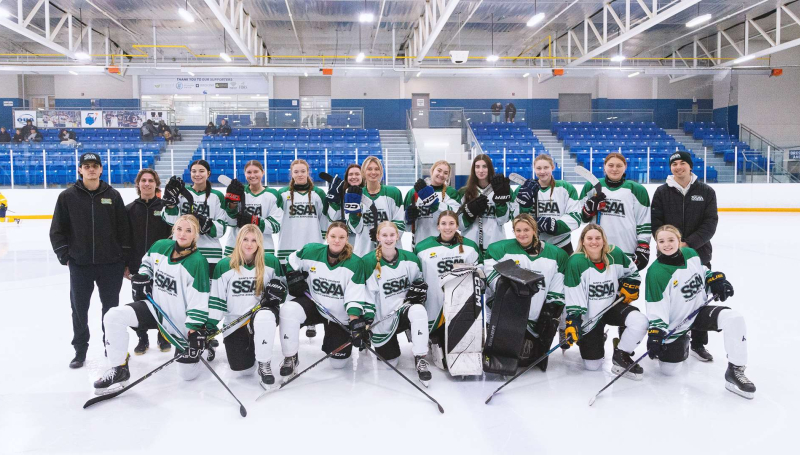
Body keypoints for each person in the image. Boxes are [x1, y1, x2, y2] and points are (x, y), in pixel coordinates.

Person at [93, 215, 214, 394]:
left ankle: (205, 347)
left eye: (189, 231)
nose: (182, 234)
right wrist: (143, 275)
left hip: (179, 321)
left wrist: (194, 330)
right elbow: (147, 263)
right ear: (173, 229)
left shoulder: (198, 262)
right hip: (155, 309)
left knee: (187, 375)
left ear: (195, 236)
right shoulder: (160, 246)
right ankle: (119, 369)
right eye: (179, 229)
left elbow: (199, 299)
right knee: (113, 316)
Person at [645, 225, 754, 399]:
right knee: (669, 371)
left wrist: (715, 280)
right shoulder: (656, 273)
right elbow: (656, 305)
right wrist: (657, 332)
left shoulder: (691, 254)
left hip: (698, 311)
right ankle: (683, 341)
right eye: (661, 241)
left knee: (734, 319)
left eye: (671, 240)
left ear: (679, 241)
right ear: (656, 245)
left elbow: (702, 272)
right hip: (676, 323)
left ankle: (735, 371)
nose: (667, 244)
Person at [49, 152, 131, 369]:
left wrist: (123, 259)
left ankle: (110, 346)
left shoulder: (112, 196)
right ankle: (80, 350)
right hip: (80, 265)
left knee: (111, 309)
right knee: (79, 309)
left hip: (110, 265)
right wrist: (65, 256)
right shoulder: (67, 197)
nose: (91, 169)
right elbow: (57, 230)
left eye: (95, 165)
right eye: (86, 166)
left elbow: (124, 230)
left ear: (101, 169)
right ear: (80, 170)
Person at [651, 151, 719, 362]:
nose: (678, 167)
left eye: (682, 163)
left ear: (690, 166)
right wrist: (670, 244)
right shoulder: (662, 192)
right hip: (668, 256)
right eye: (674, 164)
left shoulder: (706, 191)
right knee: (670, 297)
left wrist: (687, 244)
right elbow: (656, 222)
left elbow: (710, 224)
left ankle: (698, 342)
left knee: (699, 297)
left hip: (698, 254)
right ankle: (670, 335)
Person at [277, 222, 367, 377]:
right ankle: (290, 356)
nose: (337, 240)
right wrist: (293, 276)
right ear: (327, 236)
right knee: (288, 310)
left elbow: (355, 296)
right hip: (314, 304)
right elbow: (291, 261)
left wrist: (354, 322)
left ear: (347, 239)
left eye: (341, 237)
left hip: (338, 314)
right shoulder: (311, 251)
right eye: (333, 236)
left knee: (338, 364)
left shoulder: (355, 263)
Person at [484, 214, 567, 371]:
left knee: (526, 359)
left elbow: (556, 294)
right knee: (511, 358)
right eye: (518, 230)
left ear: (534, 230)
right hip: (509, 316)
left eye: (526, 230)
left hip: (535, 318)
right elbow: (492, 277)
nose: (522, 234)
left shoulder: (556, 255)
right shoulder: (499, 249)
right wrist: (509, 289)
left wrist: (548, 320)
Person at [563, 224, 648, 379]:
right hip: (590, 315)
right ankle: (596, 338)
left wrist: (631, 283)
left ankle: (621, 353)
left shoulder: (615, 254)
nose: (594, 242)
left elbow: (632, 272)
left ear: (604, 240)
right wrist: (574, 319)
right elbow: (572, 293)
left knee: (640, 321)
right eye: (589, 238)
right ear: (582, 241)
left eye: (598, 238)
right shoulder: (575, 262)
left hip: (612, 306)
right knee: (592, 366)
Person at [211, 224, 286, 389]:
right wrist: (209, 326)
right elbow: (217, 300)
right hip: (236, 321)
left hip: (262, 315)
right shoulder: (224, 265)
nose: (249, 244)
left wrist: (278, 294)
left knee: (264, 317)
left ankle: (264, 364)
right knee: (242, 370)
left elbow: (283, 291)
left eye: (254, 240)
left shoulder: (271, 262)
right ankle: (252, 351)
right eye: (245, 239)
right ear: (238, 240)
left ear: (260, 242)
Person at [363, 221, 431, 384]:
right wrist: (367, 321)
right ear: (378, 237)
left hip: (404, 310)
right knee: (390, 363)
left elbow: (419, 283)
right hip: (383, 317)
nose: (388, 239)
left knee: (419, 311)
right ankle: (383, 341)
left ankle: (420, 357)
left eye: (392, 235)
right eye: (384, 235)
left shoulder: (410, 258)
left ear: (397, 236)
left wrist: (418, 292)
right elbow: (368, 295)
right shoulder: (368, 261)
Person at [413, 210, 481, 360]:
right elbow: (417, 275)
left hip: (461, 301)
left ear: (457, 225)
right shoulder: (423, 248)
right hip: (434, 301)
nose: (447, 227)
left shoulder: (470, 247)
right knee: (441, 351)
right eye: (443, 224)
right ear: (438, 226)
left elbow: (479, 271)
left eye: (451, 223)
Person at [125, 169, 173, 355]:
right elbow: (125, 239)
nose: (147, 183)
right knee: (139, 302)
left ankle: (163, 337)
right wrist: (126, 265)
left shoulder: (166, 209)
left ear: (156, 184)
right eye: (143, 180)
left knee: (163, 302)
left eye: (150, 180)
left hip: (162, 266)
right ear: (138, 184)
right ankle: (142, 339)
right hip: (138, 266)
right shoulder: (129, 209)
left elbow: (172, 238)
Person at [579, 152, 651, 271]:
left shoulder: (637, 190)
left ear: (625, 166)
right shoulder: (591, 186)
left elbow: (644, 221)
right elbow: (580, 218)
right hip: (596, 248)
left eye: (619, 166)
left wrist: (643, 245)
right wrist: (589, 209)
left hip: (627, 248)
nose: (614, 169)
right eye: (611, 165)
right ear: (604, 166)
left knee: (625, 288)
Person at [161, 159, 228, 275]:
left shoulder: (217, 196)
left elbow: (222, 228)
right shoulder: (181, 193)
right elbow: (171, 222)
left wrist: (208, 225)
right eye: (194, 171)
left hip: (211, 253)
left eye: (201, 171)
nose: (197, 174)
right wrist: (170, 204)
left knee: (207, 290)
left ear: (208, 173)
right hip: (182, 250)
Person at [514, 154, 581, 254]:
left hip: (561, 245)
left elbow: (575, 217)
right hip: (533, 244)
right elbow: (515, 219)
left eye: (546, 167)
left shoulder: (566, 187)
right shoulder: (523, 189)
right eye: (538, 168)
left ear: (552, 167)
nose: (542, 171)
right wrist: (524, 206)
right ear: (534, 169)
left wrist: (554, 225)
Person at [345, 156, 406, 256]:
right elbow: (354, 229)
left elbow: (400, 224)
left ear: (381, 172)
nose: (373, 172)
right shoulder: (355, 195)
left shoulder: (393, 192)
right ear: (363, 172)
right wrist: (354, 215)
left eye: (377, 169)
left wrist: (383, 234)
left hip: (390, 252)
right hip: (364, 251)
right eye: (369, 169)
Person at [223, 161, 283, 256]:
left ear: (262, 172)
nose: (252, 175)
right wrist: (232, 203)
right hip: (236, 247)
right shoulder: (239, 191)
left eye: (256, 172)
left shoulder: (273, 195)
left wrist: (253, 220)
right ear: (245, 174)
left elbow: (275, 226)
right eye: (249, 172)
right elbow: (230, 222)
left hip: (263, 248)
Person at [275, 159, 330, 262]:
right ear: (291, 173)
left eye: (303, 171)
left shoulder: (319, 193)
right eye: (296, 172)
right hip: (287, 246)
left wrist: (322, 238)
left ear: (308, 172)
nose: (300, 174)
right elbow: (276, 218)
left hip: (313, 246)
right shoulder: (282, 193)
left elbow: (324, 219)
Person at [458, 154, 512, 253]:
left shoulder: (500, 189)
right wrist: (469, 214)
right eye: (477, 167)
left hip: (495, 243)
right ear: (473, 169)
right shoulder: (464, 192)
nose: (481, 170)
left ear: (490, 168)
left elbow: (502, 220)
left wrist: (501, 202)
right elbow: (459, 225)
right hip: (470, 245)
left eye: (484, 166)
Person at [404, 160, 462, 247]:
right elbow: (405, 226)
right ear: (432, 170)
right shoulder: (413, 192)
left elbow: (456, 216)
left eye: (445, 173)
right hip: (420, 242)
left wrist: (434, 203)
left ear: (448, 176)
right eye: (439, 170)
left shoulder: (451, 192)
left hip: (444, 243)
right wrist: (408, 219)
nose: (441, 175)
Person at [327, 163, 364, 244]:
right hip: (345, 237)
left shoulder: (368, 193)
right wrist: (334, 202)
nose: (354, 177)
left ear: (363, 176)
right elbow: (333, 218)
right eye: (350, 174)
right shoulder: (340, 192)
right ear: (347, 177)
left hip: (364, 237)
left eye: (357, 174)